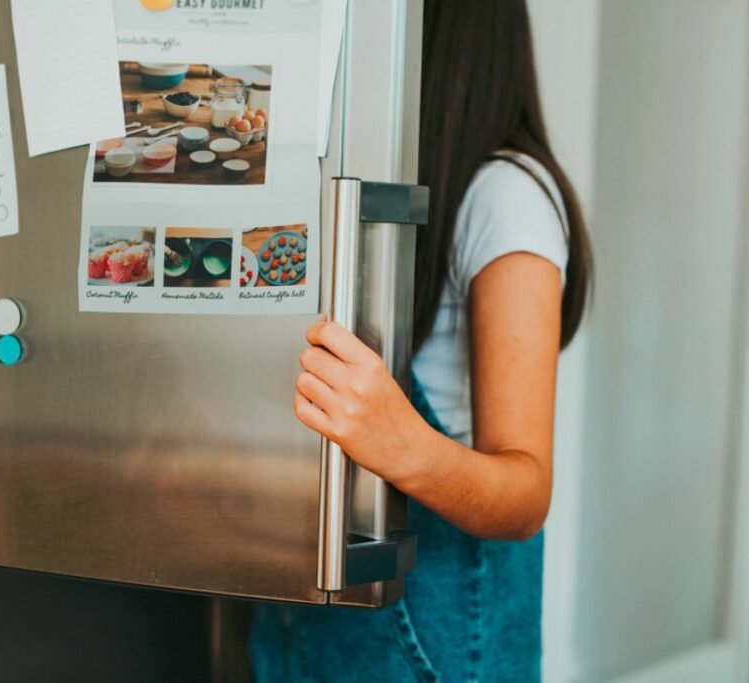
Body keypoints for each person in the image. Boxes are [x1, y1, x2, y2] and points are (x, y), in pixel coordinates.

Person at [251, 1, 592, 680]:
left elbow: (526, 491)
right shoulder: (372, 183)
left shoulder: (506, 195)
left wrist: (396, 439)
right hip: (307, 620)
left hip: (428, 644)